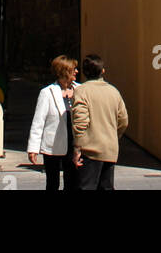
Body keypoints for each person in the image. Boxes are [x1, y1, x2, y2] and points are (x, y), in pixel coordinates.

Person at [70, 53, 128, 190]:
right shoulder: (114, 92)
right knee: (106, 187)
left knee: (86, 186)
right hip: (110, 149)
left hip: (89, 150)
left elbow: (80, 122)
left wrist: (77, 147)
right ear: (102, 71)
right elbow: (123, 120)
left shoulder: (81, 91)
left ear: (84, 72)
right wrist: (113, 135)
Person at [27, 55, 79, 191]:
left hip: (74, 144)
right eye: (73, 69)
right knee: (52, 184)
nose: (77, 72)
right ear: (64, 71)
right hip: (53, 145)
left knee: (73, 183)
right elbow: (38, 122)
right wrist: (33, 148)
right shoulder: (47, 93)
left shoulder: (81, 90)